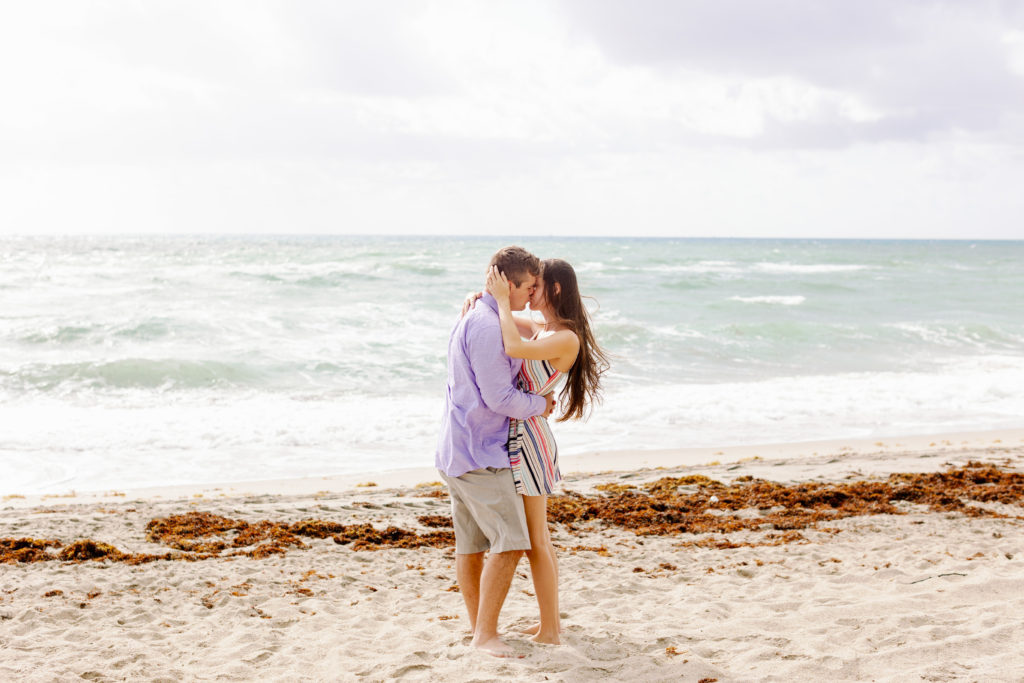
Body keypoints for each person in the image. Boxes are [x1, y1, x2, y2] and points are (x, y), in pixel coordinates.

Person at [469, 258, 609, 646]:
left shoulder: (566, 337)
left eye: (538, 285)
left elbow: (511, 343)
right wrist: (479, 297)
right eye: (527, 286)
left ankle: (551, 630)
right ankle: (550, 624)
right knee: (534, 540)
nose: (531, 291)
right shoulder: (545, 327)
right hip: (522, 433)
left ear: (557, 289)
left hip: (531, 440)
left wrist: (498, 299)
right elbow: (509, 327)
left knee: (537, 541)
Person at [435, 246, 556, 658]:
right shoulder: (486, 325)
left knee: (471, 547)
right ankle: (485, 635)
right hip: (481, 454)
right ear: (508, 284)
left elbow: (536, 323)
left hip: (458, 449)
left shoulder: (478, 314)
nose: (532, 294)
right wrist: (542, 405)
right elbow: (500, 397)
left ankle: (478, 630)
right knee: (509, 543)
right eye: (528, 287)